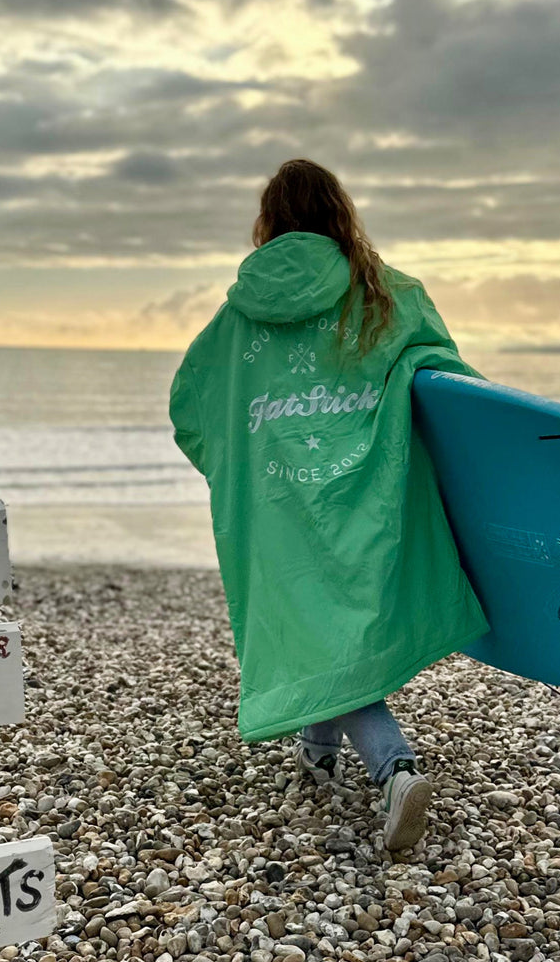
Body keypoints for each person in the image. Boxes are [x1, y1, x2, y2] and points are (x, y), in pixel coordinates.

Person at [168, 159, 489, 851]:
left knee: (311, 627)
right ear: (339, 212)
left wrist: (242, 469)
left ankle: (394, 769)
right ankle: (317, 754)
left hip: (279, 508)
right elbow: (450, 386)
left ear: (269, 222)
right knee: (327, 632)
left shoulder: (235, 321)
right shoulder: (389, 296)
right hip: (367, 499)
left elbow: (190, 408)